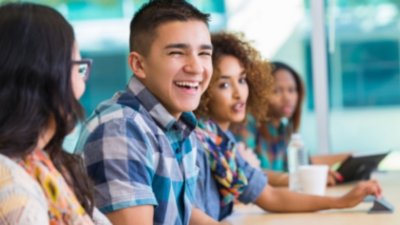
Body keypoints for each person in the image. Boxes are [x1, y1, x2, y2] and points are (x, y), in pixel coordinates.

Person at [193, 32, 382, 221]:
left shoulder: (223, 144)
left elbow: (271, 196)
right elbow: (189, 213)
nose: (239, 93)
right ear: (203, 89)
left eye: (242, 80)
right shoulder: (195, 142)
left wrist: (341, 202)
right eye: (224, 85)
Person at [75, 1, 221, 224]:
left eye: (203, 53)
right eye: (176, 53)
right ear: (138, 65)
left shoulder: (179, 125)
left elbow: (181, 212)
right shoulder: (121, 129)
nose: (197, 67)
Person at [0, 2, 110, 224]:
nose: (81, 87)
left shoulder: (44, 165)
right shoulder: (13, 187)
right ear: (45, 74)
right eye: (78, 68)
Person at [235, 61, 343, 186]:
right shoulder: (247, 123)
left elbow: (305, 164)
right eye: (276, 91)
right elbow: (247, 171)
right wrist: (300, 179)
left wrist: (345, 159)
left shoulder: (285, 129)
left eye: (291, 90)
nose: (287, 97)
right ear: (260, 95)